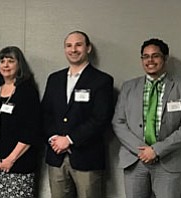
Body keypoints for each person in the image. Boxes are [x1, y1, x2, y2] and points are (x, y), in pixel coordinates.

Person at [112, 38, 181, 198]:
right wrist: (143, 151)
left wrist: (156, 150)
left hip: (170, 161)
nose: (150, 60)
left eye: (155, 56)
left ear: (165, 58)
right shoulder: (128, 87)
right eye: (145, 56)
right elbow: (118, 122)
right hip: (135, 160)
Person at [41, 31, 114, 198]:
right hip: (56, 156)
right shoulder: (55, 79)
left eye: (78, 45)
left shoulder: (101, 80)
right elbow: (45, 113)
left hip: (87, 157)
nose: (73, 49)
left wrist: (69, 140)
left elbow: (100, 119)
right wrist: (54, 138)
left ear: (88, 48)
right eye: (69, 45)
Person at [0, 46, 40, 198]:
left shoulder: (27, 92)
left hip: (19, 165)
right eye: (2, 61)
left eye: (10, 61)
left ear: (19, 65)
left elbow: (31, 131)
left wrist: (10, 159)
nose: (6, 65)